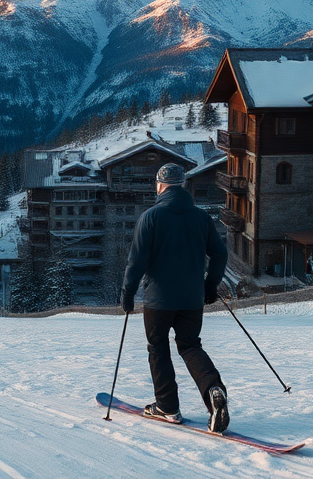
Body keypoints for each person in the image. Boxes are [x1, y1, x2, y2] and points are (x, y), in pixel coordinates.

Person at [120, 163, 230, 433]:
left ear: (159, 186)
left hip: (159, 300)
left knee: (158, 347)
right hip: (192, 299)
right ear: (183, 185)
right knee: (190, 346)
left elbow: (136, 262)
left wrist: (128, 293)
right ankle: (213, 389)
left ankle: (167, 407)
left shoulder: (151, 217)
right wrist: (210, 286)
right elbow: (220, 254)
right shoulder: (201, 218)